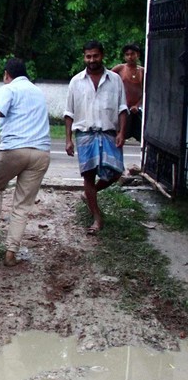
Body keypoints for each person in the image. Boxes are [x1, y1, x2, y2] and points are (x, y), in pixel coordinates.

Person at [0, 58, 51, 267]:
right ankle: (11, 253)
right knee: (22, 205)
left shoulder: (9, 89)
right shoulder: (37, 91)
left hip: (14, 150)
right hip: (41, 153)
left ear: (7, 74)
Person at [65, 41, 127, 235]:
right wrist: (68, 139)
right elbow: (69, 113)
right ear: (84, 57)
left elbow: (122, 109)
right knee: (89, 175)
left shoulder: (115, 80)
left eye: (95, 56)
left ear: (102, 55)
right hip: (85, 135)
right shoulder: (76, 81)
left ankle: (89, 195)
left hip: (109, 133)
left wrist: (122, 133)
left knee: (116, 173)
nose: (92, 60)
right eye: (88, 56)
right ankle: (97, 216)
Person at [111, 43, 144, 143]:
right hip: (121, 107)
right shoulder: (120, 69)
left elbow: (146, 91)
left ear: (137, 55)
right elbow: (106, 80)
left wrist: (137, 105)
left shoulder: (142, 71)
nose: (130, 57)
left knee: (141, 135)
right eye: (127, 54)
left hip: (136, 109)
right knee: (118, 135)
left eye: (132, 54)